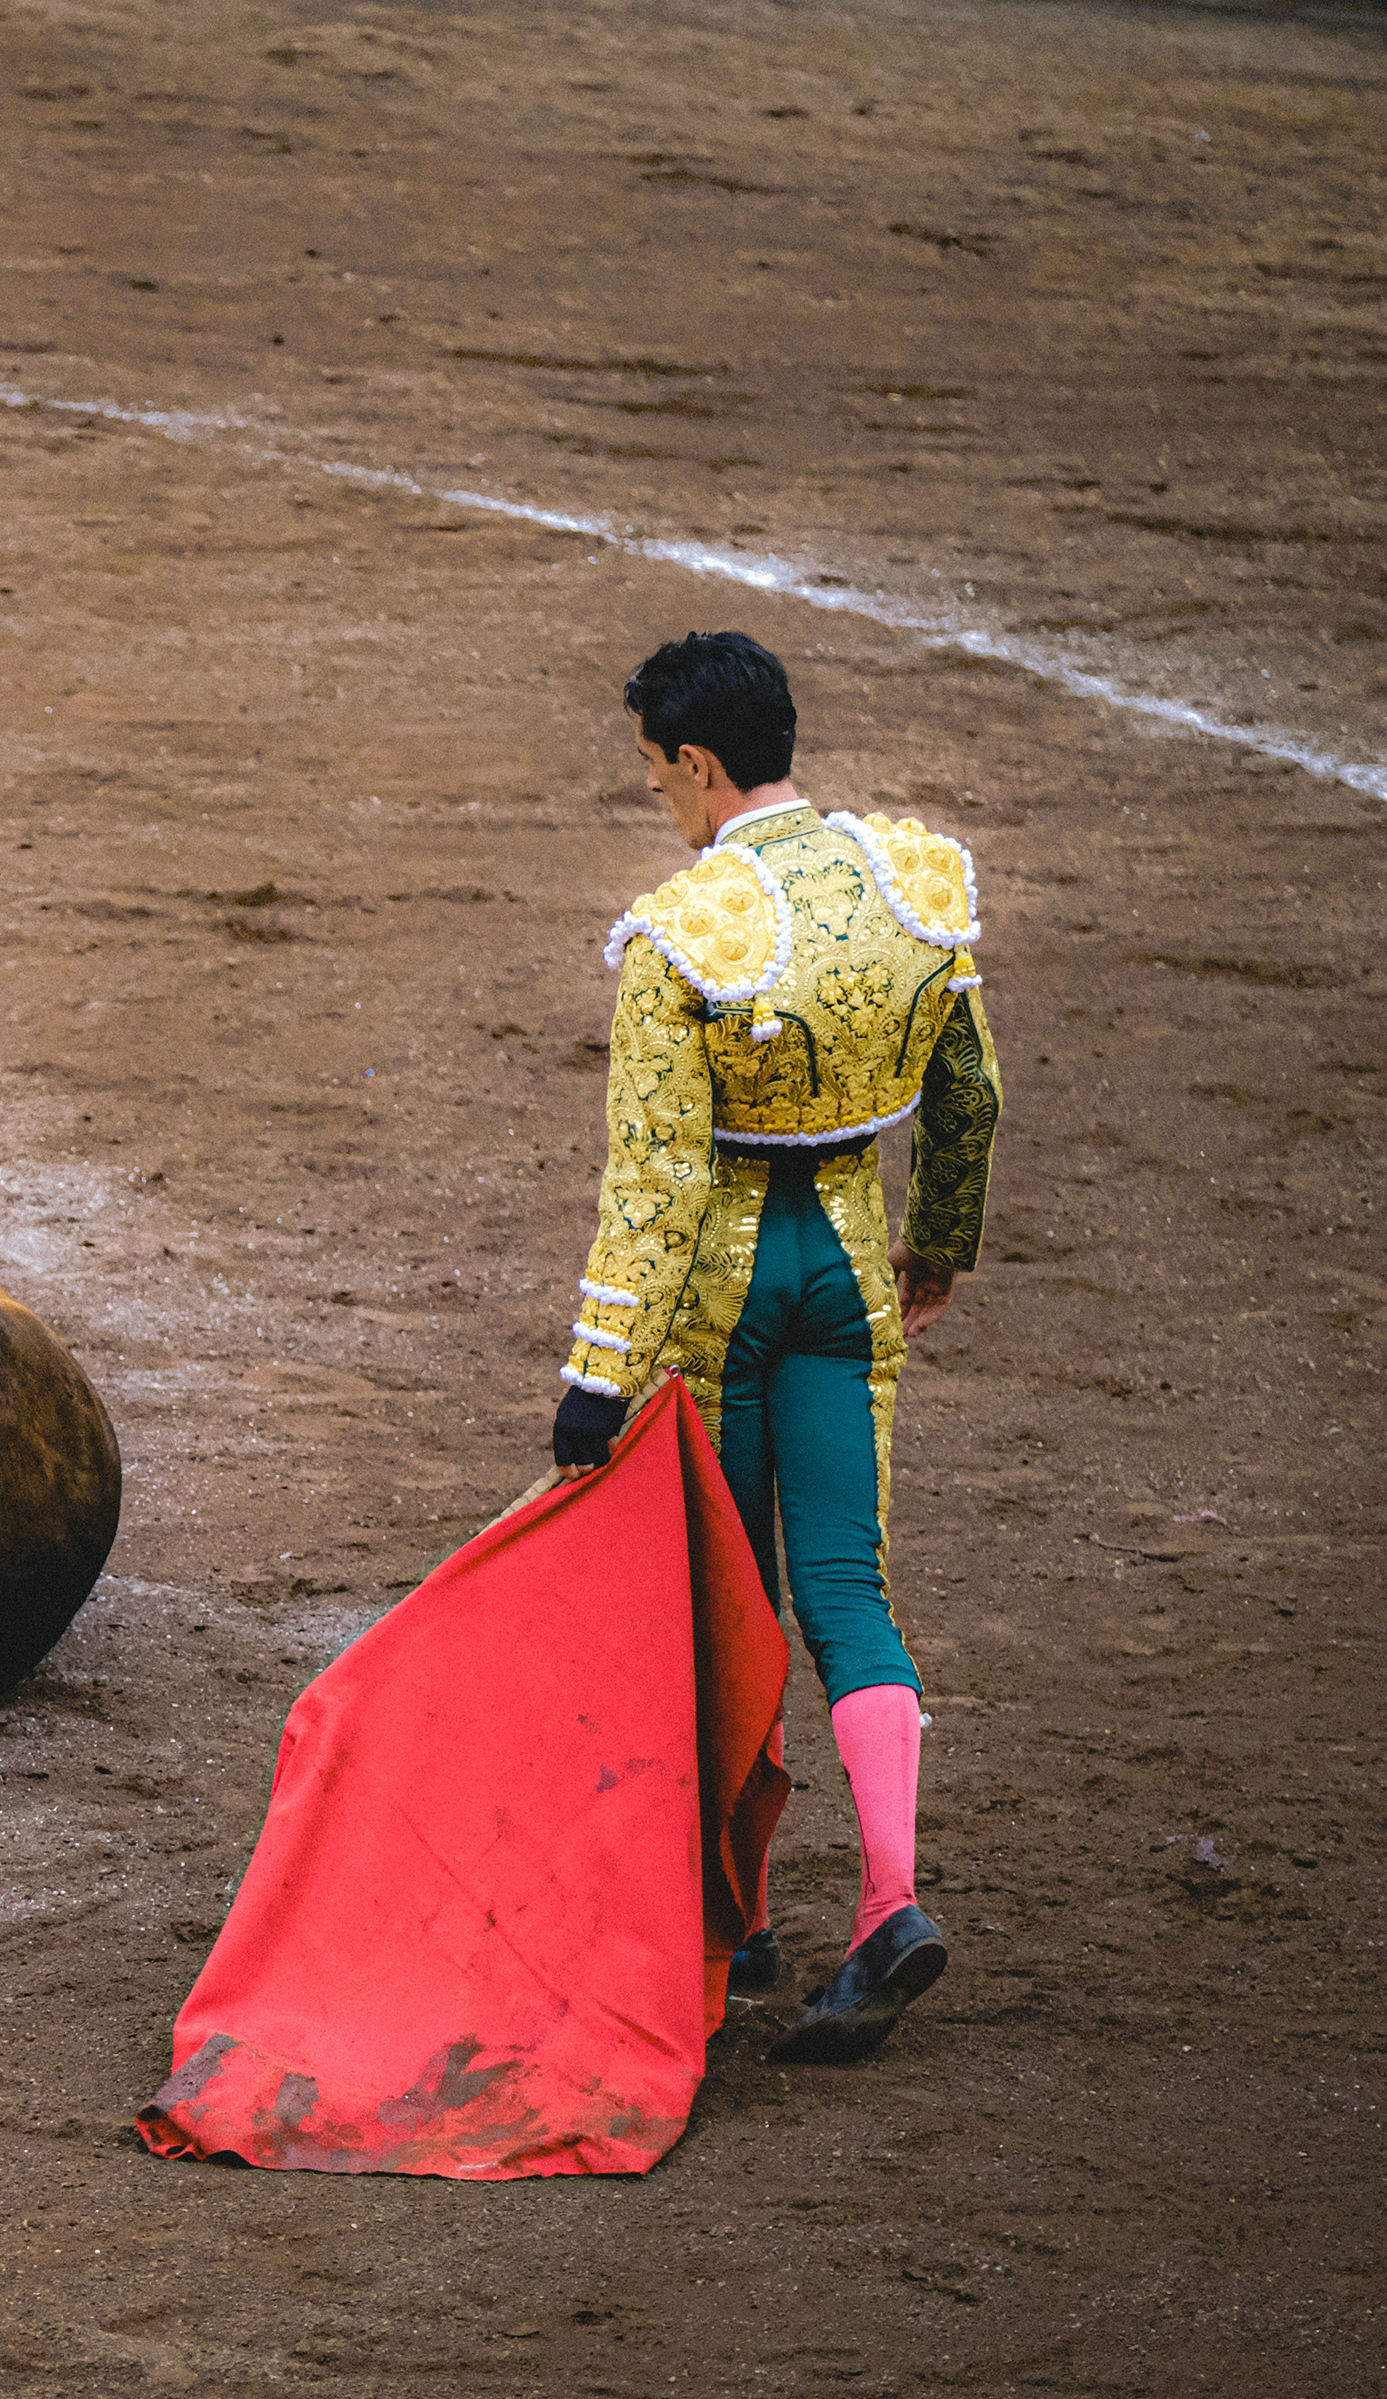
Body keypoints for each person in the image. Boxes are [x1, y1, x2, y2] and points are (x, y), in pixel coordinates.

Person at [549, 630, 1001, 2065]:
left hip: (728, 1292)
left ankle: (734, 1919)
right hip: (851, 1268)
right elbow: (969, 1095)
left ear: (695, 761)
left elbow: (659, 1182)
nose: (660, 804)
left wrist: (597, 1369)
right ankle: (888, 1899)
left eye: (655, 775)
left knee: (727, 1601)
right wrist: (937, 1245)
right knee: (846, 1588)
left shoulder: (684, 931)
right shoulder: (910, 887)